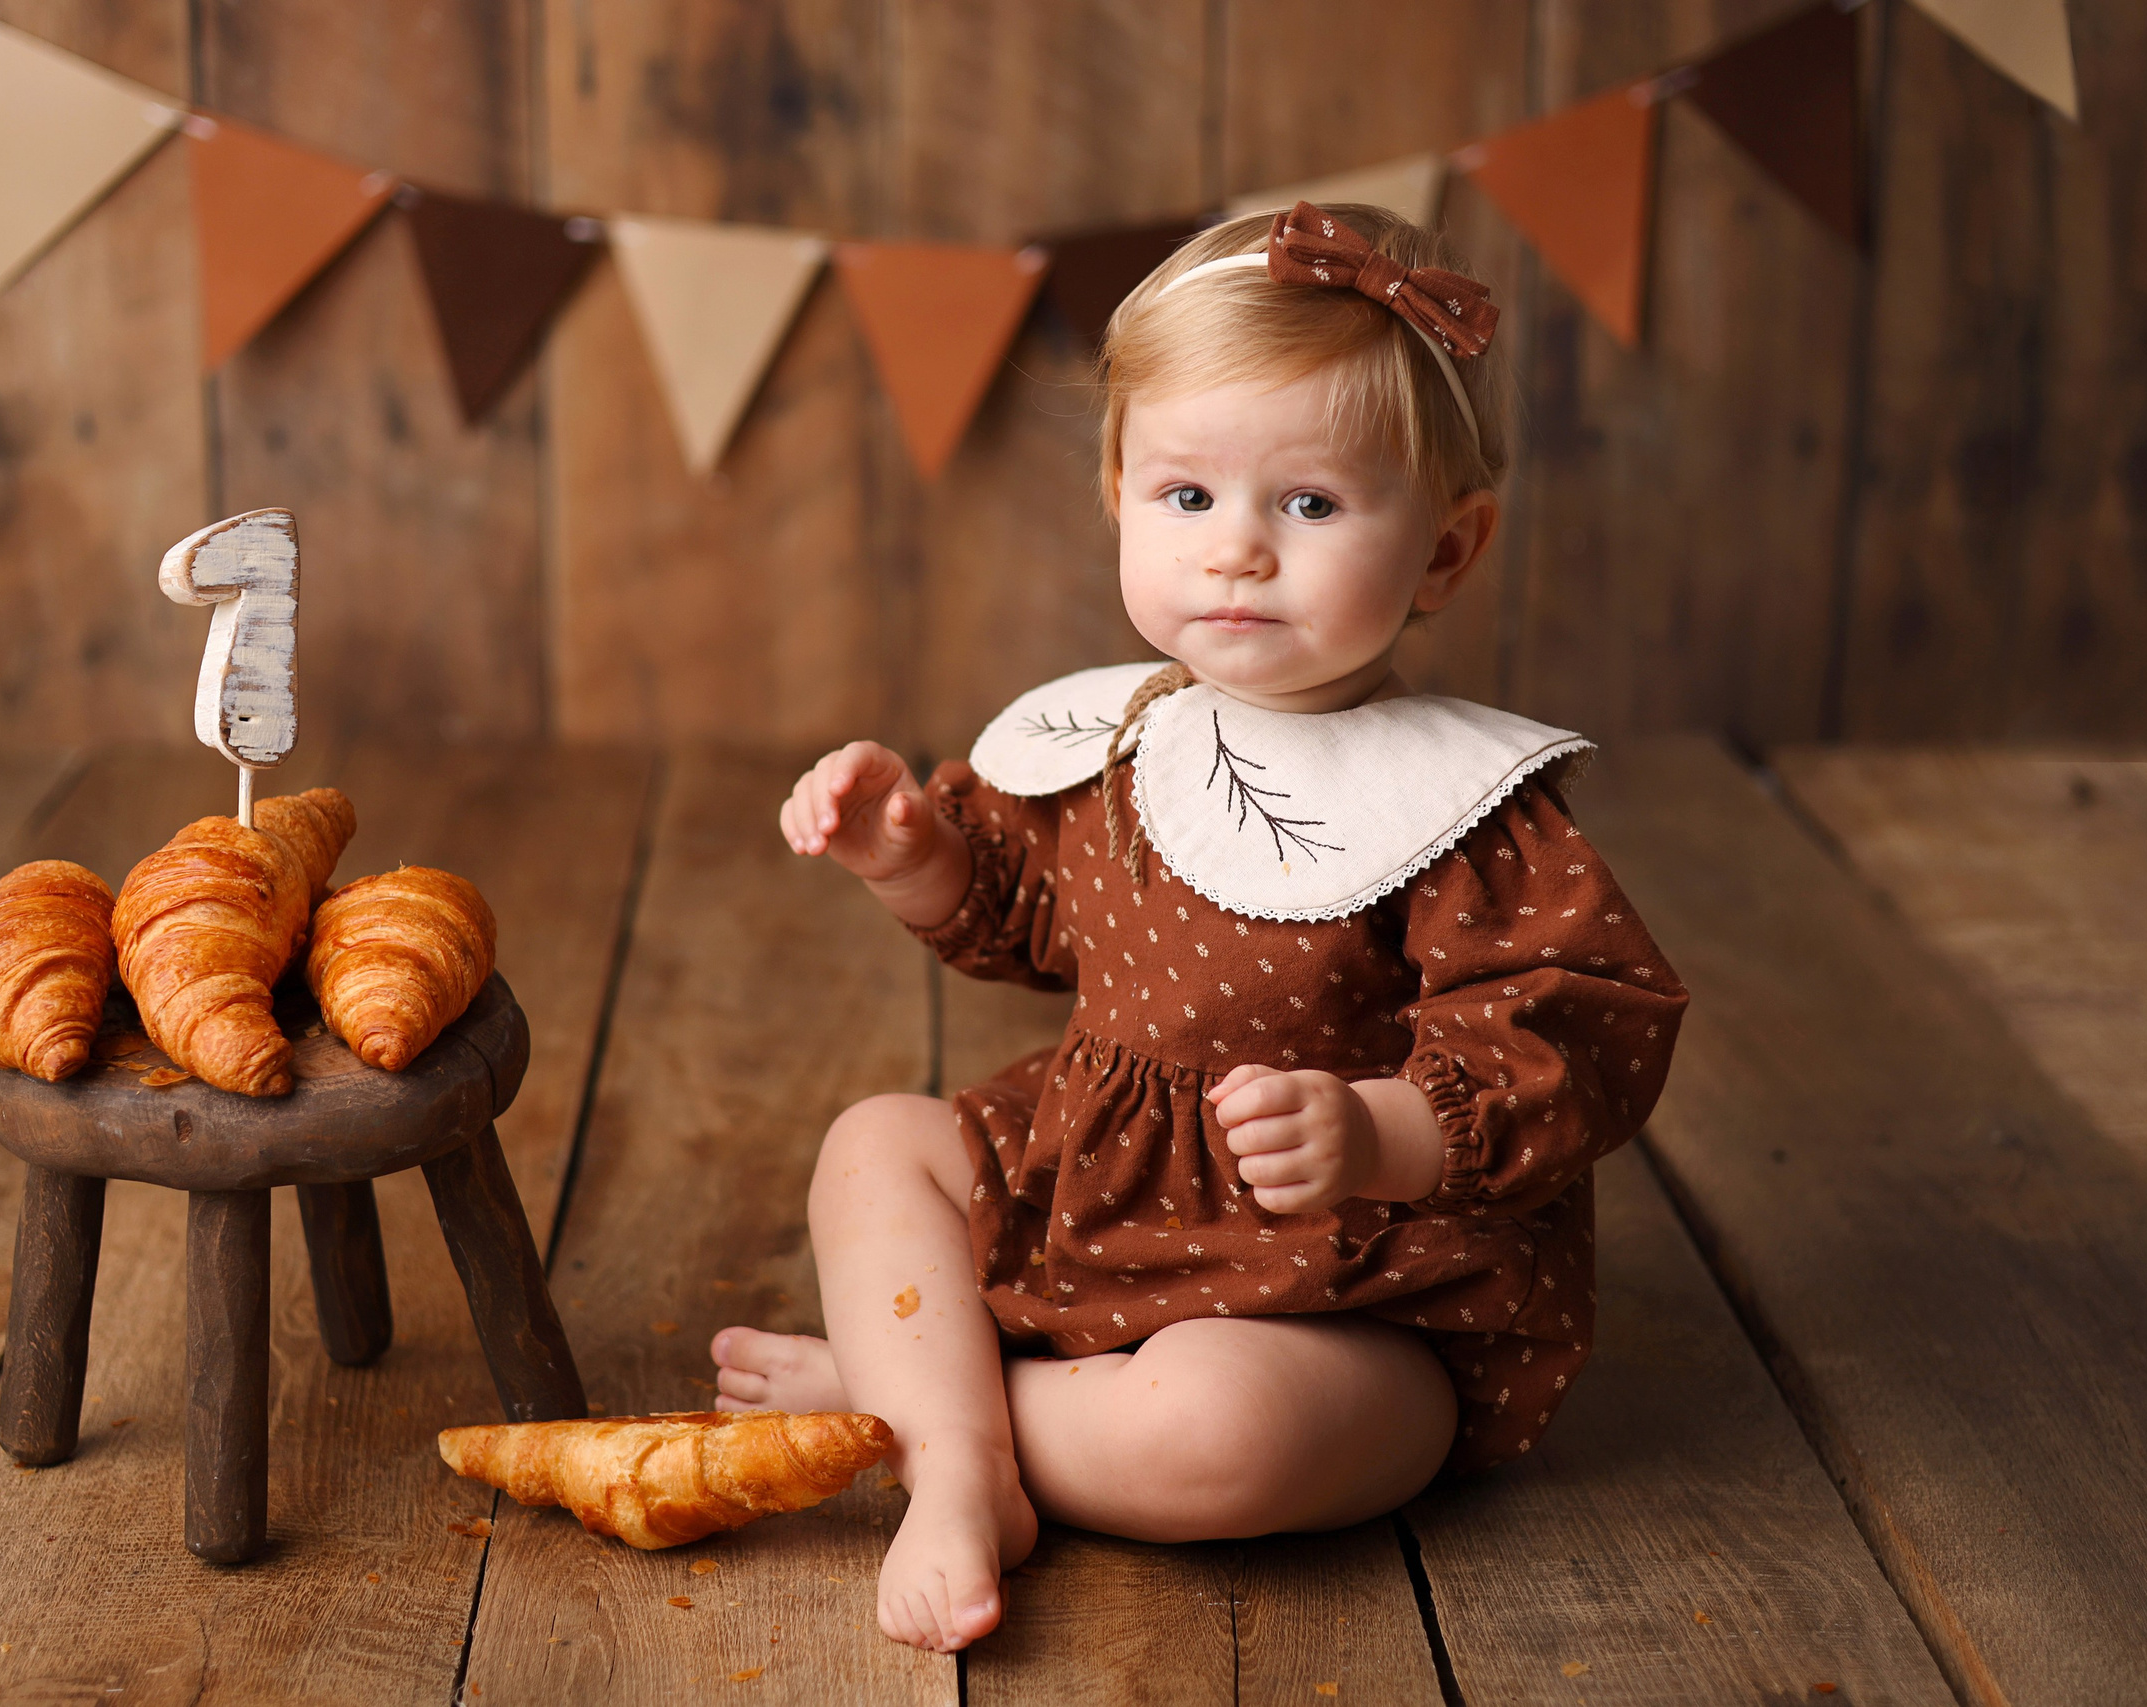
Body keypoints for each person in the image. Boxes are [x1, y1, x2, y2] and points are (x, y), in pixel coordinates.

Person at [711, 203, 1688, 1653]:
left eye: (1309, 504)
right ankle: (963, 1456)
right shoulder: (1118, 739)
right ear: (1118, 493)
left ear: (1446, 550)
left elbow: (1581, 1032)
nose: (1237, 552)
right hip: (1101, 1179)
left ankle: (916, 1403)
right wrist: (906, 857)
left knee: (1231, 1437)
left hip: (1353, 1284)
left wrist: (1381, 1134)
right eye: (1187, 498)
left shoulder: (1459, 807)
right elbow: (1024, 918)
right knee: (874, 1143)